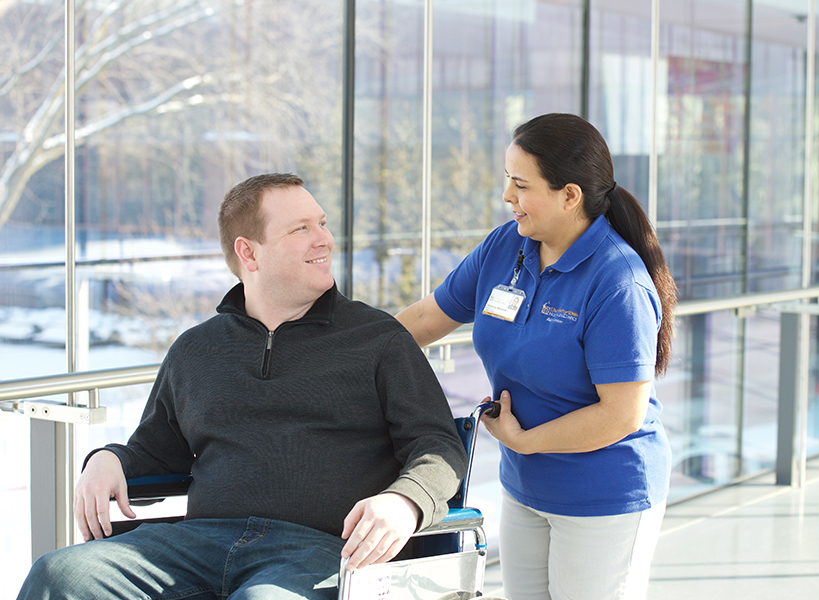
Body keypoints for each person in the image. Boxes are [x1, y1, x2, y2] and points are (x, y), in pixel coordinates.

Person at [17, 173, 468, 600]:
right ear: (249, 253)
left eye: (323, 224)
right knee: (58, 575)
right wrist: (107, 458)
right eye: (301, 229)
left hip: (319, 549)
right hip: (196, 544)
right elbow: (156, 452)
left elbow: (439, 447)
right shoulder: (195, 350)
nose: (325, 240)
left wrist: (405, 501)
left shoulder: (377, 339)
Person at [396, 113, 677, 600]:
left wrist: (525, 442)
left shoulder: (617, 282)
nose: (508, 196)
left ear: (570, 195)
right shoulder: (508, 246)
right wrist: (345, 353)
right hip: (526, 486)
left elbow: (621, 415)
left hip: (605, 494)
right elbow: (425, 320)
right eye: (509, 180)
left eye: (521, 185)